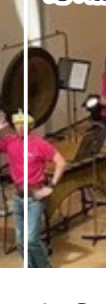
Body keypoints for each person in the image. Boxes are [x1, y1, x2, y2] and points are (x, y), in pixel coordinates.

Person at [0, 111, 66, 268]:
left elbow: (61, 162)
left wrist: (51, 186)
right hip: (18, 197)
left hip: (34, 198)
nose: (20, 127)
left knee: (31, 240)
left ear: (30, 126)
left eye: (23, 124)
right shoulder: (10, 142)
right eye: (17, 124)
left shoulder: (39, 144)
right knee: (21, 242)